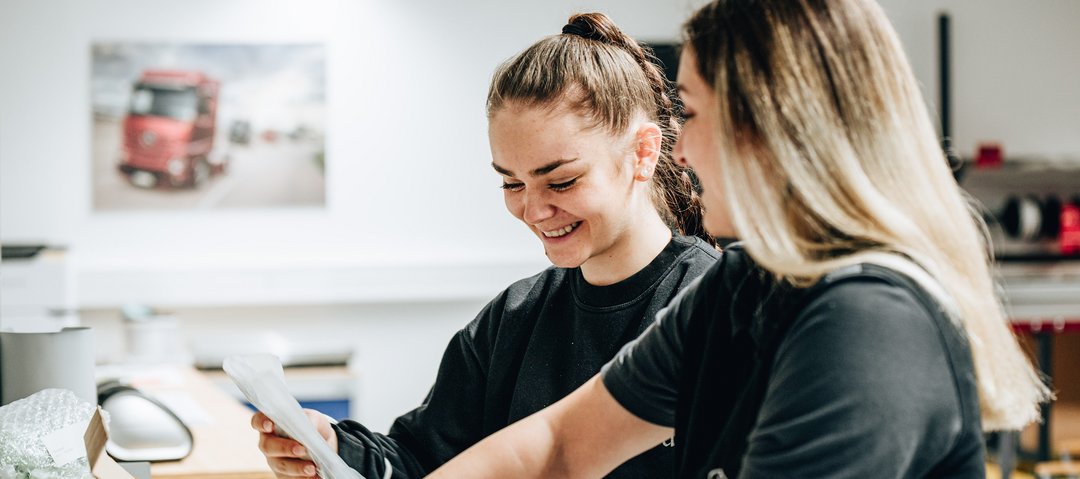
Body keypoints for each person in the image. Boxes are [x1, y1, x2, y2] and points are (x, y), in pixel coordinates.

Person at [428, 0, 1052, 477]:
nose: (684, 149)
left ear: (771, 128)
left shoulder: (867, 323)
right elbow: (560, 445)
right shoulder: (743, 284)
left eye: (692, 115)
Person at [251, 13, 721, 479]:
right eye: (512, 184)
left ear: (643, 153)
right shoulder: (515, 318)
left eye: (561, 181)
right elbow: (422, 458)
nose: (534, 211)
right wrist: (335, 448)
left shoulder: (715, 305)